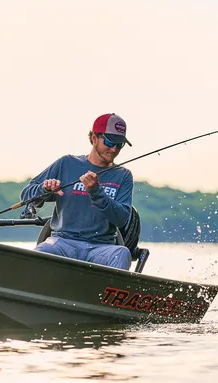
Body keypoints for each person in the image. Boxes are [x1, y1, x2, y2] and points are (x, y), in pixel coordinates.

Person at [20, 113, 135, 270]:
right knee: (43, 251)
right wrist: (45, 189)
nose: (114, 149)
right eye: (109, 142)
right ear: (94, 138)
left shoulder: (123, 175)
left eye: (120, 144)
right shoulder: (66, 163)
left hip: (101, 248)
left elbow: (121, 218)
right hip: (62, 242)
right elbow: (26, 195)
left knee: (122, 253)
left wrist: (96, 192)